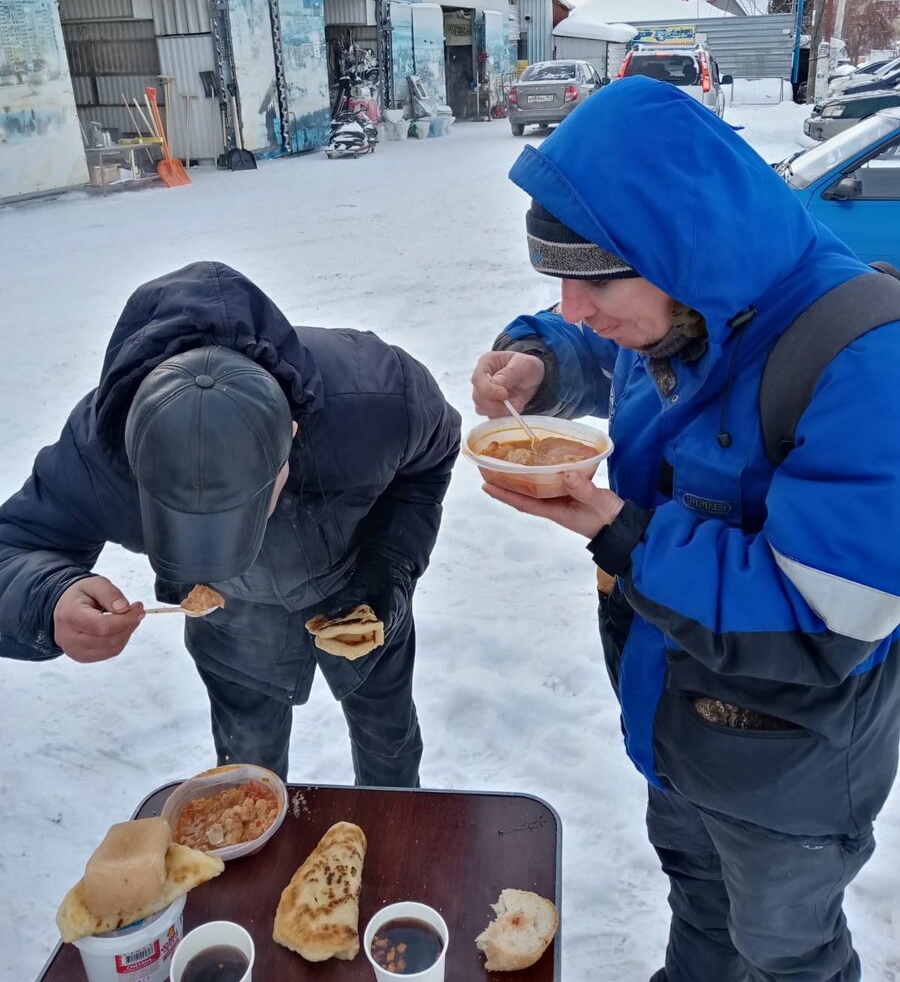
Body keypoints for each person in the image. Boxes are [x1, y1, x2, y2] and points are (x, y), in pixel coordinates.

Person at [471, 77, 900, 982]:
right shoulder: (687, 303)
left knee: (787, 949)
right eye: (558, 281)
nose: (572, 303)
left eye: (590, 281)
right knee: (697, 893)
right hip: (674, 709)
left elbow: (826, 616)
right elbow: (619, 340)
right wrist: (541, 361)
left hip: (790, 765)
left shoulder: (865, 359)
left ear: (681, 252)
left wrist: (622, 533)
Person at [0, 261, 460, 785]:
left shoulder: (378, 398)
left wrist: (390, 570)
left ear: (288, 438)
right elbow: (11, 548)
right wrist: (48, 596)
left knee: (389, 739)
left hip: (365, 595)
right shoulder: (97, 455)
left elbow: (432, 460)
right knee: (247, 777)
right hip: (231, 630)